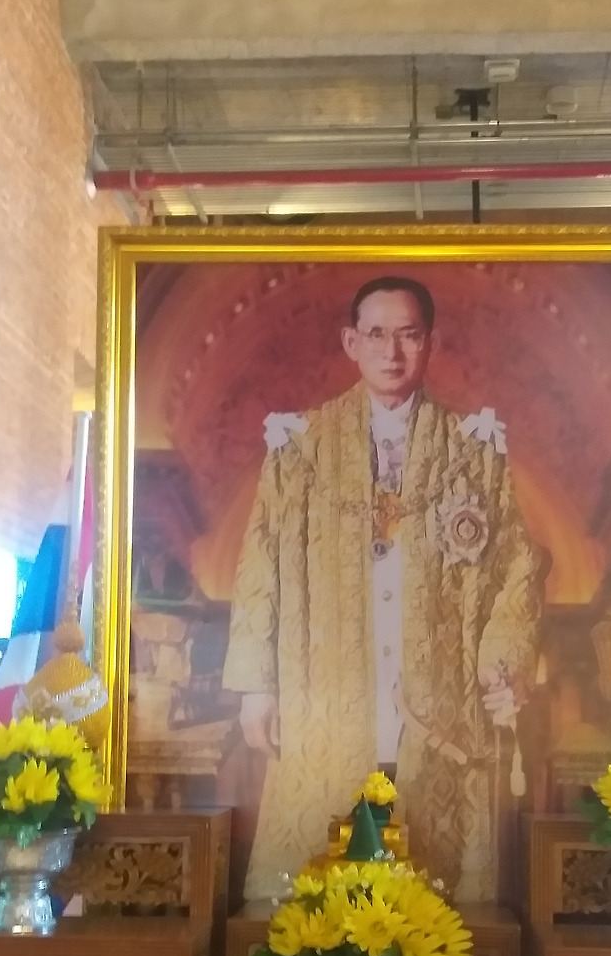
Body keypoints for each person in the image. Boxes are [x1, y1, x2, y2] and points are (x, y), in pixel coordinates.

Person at [223, 276, 543, 900]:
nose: (391, 352)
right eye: (376, 334)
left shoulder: (473, 450)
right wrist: (257, 686)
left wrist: (502, 666)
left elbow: (515, 570)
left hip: (437, 698)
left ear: (430, 342)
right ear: (351, 342)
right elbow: (259, 566)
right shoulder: (300, 447)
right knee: (324, 891)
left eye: (408, 335)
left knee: (435, 896)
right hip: (328, 693)